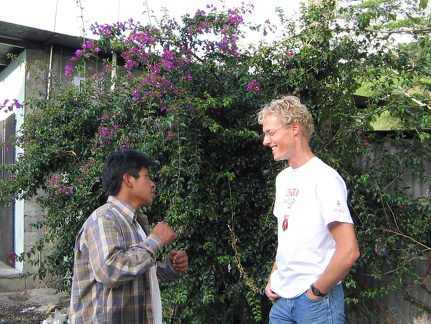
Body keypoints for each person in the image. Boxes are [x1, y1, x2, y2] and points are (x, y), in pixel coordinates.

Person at [257, 96, 360, 323]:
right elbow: (288, 235)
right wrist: (274, 276)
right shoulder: (283, 179)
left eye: (271, 132)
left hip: (315, 304)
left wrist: (315, 293)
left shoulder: (324, 179)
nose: (266, 141)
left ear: (295, 128)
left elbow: (349, 250)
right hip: (282, 300)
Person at [69, 149, 188, 323]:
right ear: (128, 180)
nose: (153, 184)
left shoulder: (134, 222)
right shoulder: (105, 219)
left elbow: (138, 275)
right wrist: (155, 241)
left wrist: (171, 267)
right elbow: (110, 270)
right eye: (147, 176)